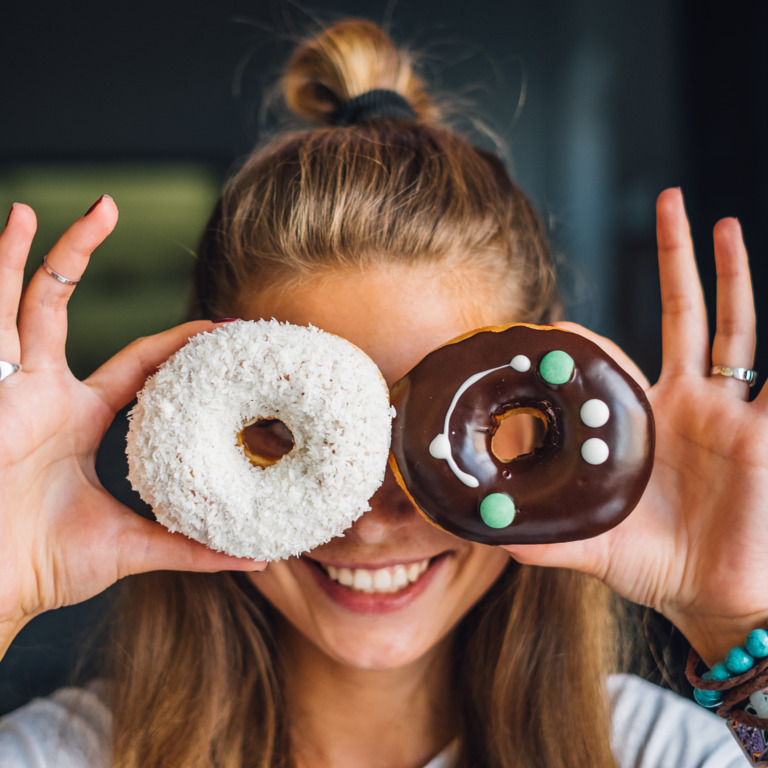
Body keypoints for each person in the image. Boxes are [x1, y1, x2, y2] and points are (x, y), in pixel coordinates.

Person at [0, 18, 763, 768]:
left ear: (540, 433)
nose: (370, 519)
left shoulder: (663, 752)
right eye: (284, 433)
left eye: (438, 433)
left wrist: (733, 621)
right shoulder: (62, 753)